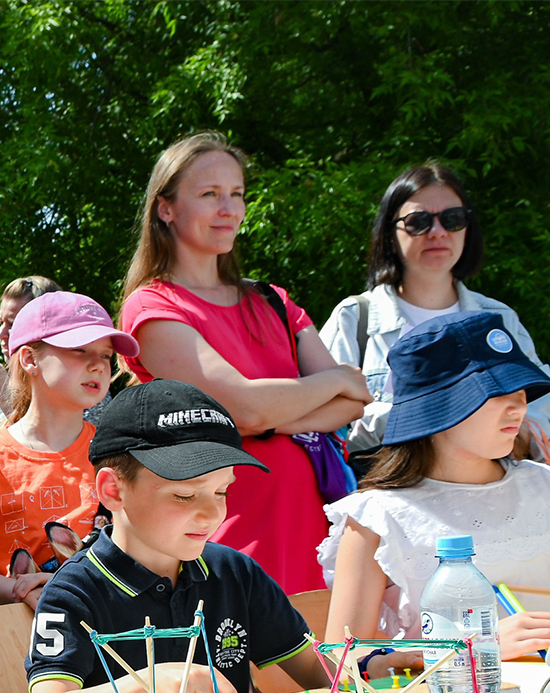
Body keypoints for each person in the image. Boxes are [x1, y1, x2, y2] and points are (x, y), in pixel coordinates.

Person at [118, 132, 370, 594]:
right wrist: (333, 379)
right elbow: (246, 408)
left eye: (237, 194)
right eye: (209, 194)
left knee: (328, 664)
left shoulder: (273, 300)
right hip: (225, 537)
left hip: (315, 532)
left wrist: (270, 417)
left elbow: (354, 402)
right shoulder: (152, 307)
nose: (228, 208)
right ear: (165, 208)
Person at [27, 380, 331, 693]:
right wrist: (152, 682)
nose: (211, 513)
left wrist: (373, 664)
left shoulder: (235, 572)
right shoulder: (74, 591)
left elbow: (315, 668)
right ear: (113, 490)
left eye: (222, 491)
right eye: (185, 495)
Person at [320, 311, 550, 673]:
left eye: (521, 389)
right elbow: (339, 663)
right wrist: (471, 650)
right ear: (435, 406)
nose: (518, 405)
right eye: (496, 392)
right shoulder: (376, 516)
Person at [319, 163, 550, 465]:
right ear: (389, 233)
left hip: (494, 500)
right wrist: (444, 419)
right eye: (418, 222)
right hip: (390, 500)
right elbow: (323, 426)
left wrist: (500, 433)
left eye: (453, 219)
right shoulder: (354, 318)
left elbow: (546, 424)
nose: (437, 232)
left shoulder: (500, 319)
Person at [0, 292, 134, 608]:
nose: (98, 365)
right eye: (80, 350)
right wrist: (21, 592)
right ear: (30, 359)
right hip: (23, 636)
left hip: (111, 621)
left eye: (105, 355)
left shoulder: (119, 453)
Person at [0, 276, 62, 440]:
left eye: (12, 324)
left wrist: (4, 392)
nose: (1, 334)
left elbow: (55, 451)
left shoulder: (74, 385)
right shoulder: (23, 387)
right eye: (1, 323)